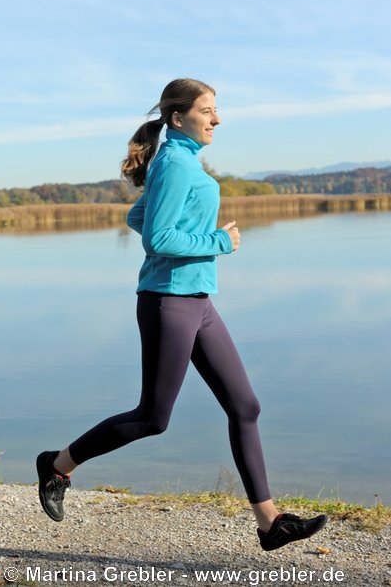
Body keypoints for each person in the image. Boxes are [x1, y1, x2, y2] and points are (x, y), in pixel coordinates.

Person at [36, 78, 327, 551]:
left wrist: (184, 230)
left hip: (197, 303)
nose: (217, 118)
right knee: (153, 417)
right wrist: (218, 241)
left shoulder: (182, 160)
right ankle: (56, 465)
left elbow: (140, 219)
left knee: (245, 406)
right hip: (168, 302)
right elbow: (158, 239)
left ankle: (269, 523)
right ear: (178, 117)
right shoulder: (173, 163)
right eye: (207, 110)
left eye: (217, 110)